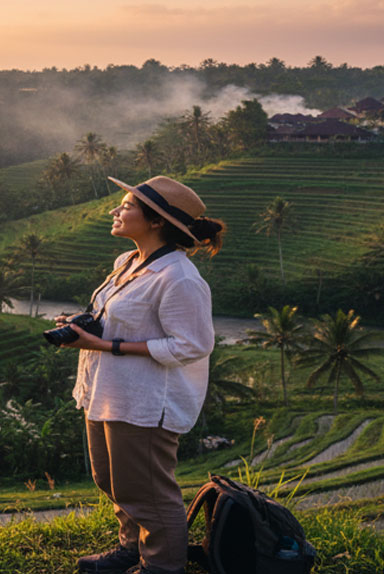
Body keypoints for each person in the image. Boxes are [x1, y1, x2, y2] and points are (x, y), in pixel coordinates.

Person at [56, 175, 224, 574]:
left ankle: (162, 566)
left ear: (156, 221)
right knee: (110, 479)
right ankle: (132, 547)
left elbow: (192, 345)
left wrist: (106, 345)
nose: (115, 211)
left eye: (127, 206)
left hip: (145, 402)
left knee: (148, 491)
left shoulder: (180, 278)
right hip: (108, 390)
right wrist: (85, 327)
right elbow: (123, 320)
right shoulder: (127, 263)